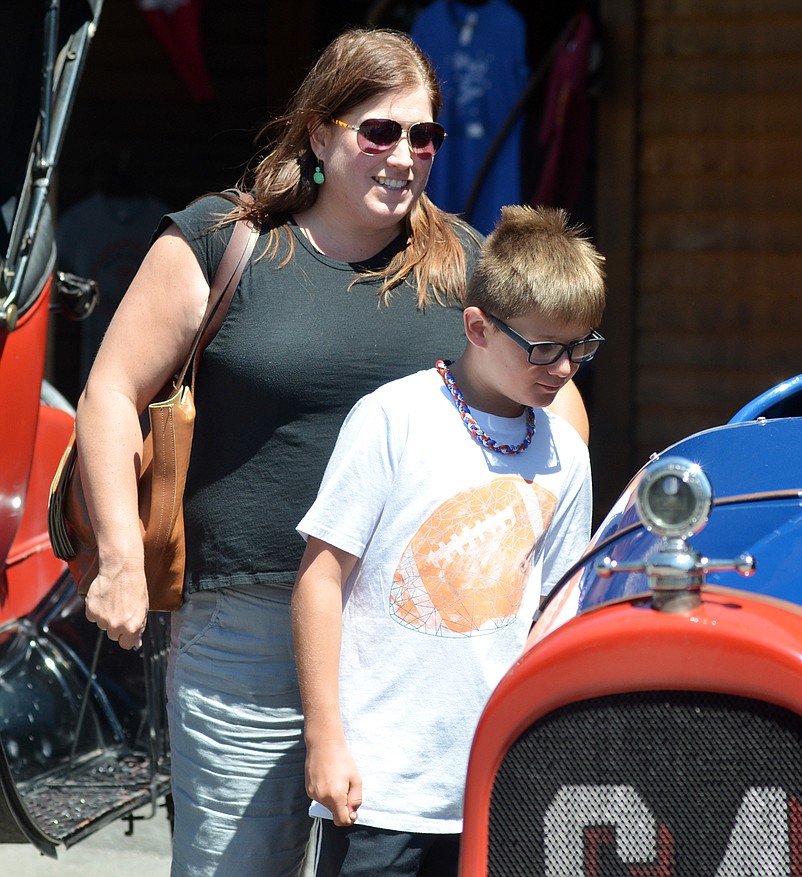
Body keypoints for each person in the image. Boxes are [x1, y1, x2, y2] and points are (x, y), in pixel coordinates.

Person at [73, 29, 586, 877]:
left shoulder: (462, 262)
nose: (404, 155)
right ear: (319, 133)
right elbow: (108, 395)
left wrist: (510, 540)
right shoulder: (223, 241)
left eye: (424, 136)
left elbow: (559, 397)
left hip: (419, 635)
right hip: (251, 624)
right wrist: (123, 559)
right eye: (378, 132)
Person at [292, 204, 605, 876]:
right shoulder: (393, 418)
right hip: (379, 787)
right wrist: (324, 735)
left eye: (580, 347)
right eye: (543, 347)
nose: (564, 367)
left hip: (493, 786)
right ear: (476, 326)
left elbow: (556, 613)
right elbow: (320, 578)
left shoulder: (566, 456)